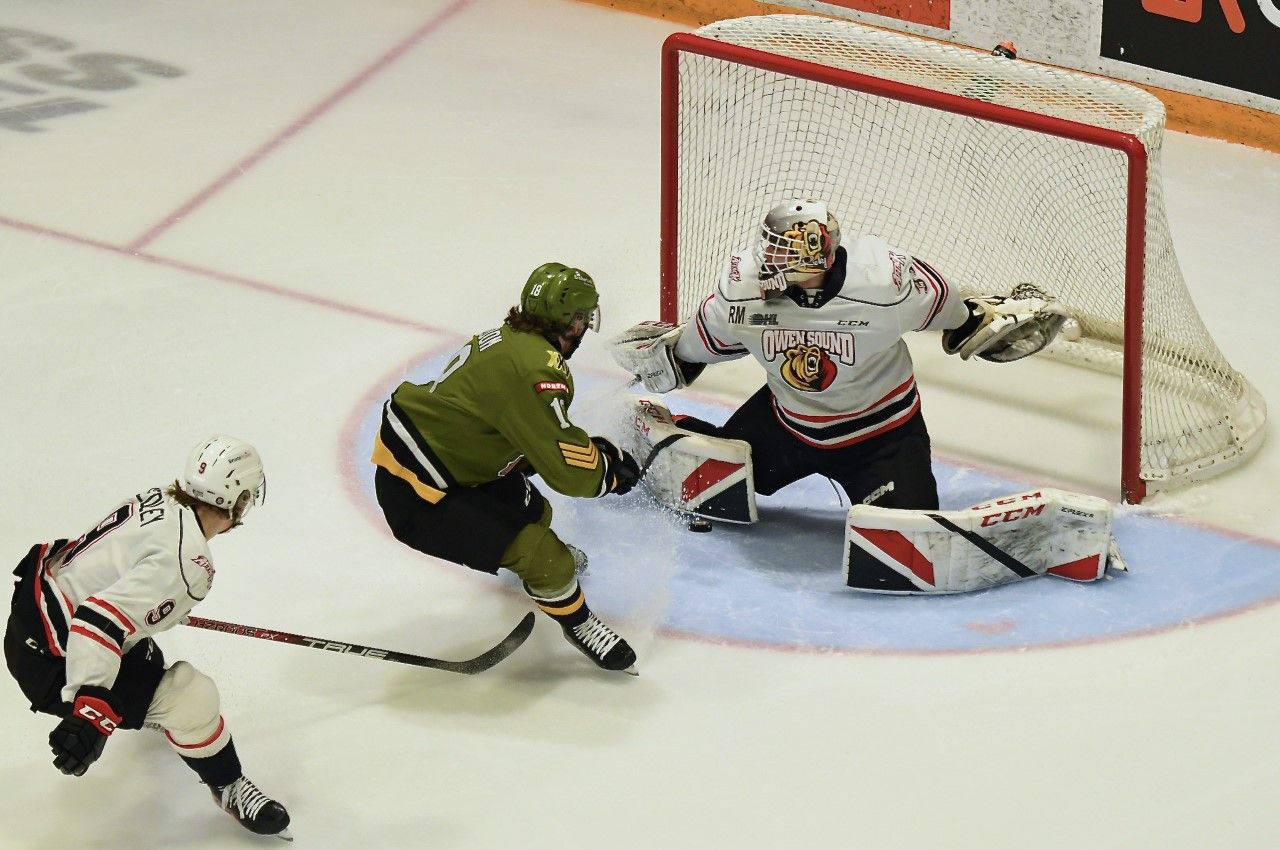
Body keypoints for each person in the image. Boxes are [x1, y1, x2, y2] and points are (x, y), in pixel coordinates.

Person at [611, 198, 1068, 512]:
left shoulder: (886, 284)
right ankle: (656, 427)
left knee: (907, 527)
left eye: (782, 249)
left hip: (883, 436)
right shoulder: (743, 291)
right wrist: (665, 355)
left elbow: (960, 317)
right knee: (729, 482)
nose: (768, 257)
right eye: (769, 243)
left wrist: (991, 323)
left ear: (817, 257)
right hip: (786, 425)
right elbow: (697, 345)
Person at [3, 435, 290, 839]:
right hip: (56, 662)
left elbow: (110, 570)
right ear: (238, 498)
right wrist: (89, 710)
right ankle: (227, 784)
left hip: (31, 619)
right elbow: (97, 620)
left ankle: (148, 709)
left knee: (149, 660)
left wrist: (156, 608)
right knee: (193, 698)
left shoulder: (160, 498)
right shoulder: (191, 566)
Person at [371, 262, 643, 674]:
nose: (586, 327)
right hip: (419, 493)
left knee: (537, 513)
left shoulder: (514, 338)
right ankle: (579, 623)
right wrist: (607, 472)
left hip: (453, 464)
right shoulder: (537, 370)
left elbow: (508, 421)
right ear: (571, 322)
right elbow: (571, 475)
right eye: (584, 318)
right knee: (549, 560)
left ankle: (542, 573)